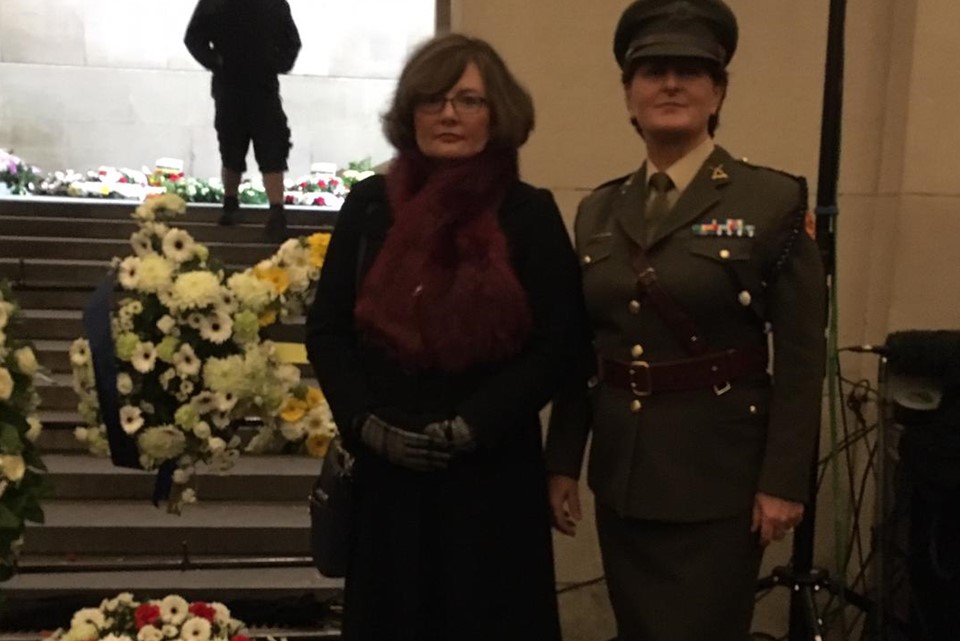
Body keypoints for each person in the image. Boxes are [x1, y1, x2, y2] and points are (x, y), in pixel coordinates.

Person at [544, 1, 827, 639]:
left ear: (718, 89)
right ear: (628, 93)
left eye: (691, 71)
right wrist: (562, 459)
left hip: (719, 481)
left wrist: (784, 482)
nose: (671, 84)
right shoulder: (597, 209)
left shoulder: (771, 200)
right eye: (652, 70)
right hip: (624, 477)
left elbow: (804, 358)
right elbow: (582, 349)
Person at [305, 33, 583, 641]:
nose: (448, 113)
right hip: (388, 480)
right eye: (431, 99)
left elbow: (560, 345)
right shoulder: (370, 206)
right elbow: (327, 331)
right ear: (409, 113)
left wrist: (474, 425)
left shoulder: (528, 213)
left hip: (491, 478)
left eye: (468, 100)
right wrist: (366, 423)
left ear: (498, 113)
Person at [184, 0, 300, 240]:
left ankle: (265, 209)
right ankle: (236, 203)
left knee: (266, 147)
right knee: (237, 145)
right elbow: (194, 39)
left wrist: (220, 62)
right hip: (241, 86)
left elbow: (292, 43)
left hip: (253, 87)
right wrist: (218, 62)